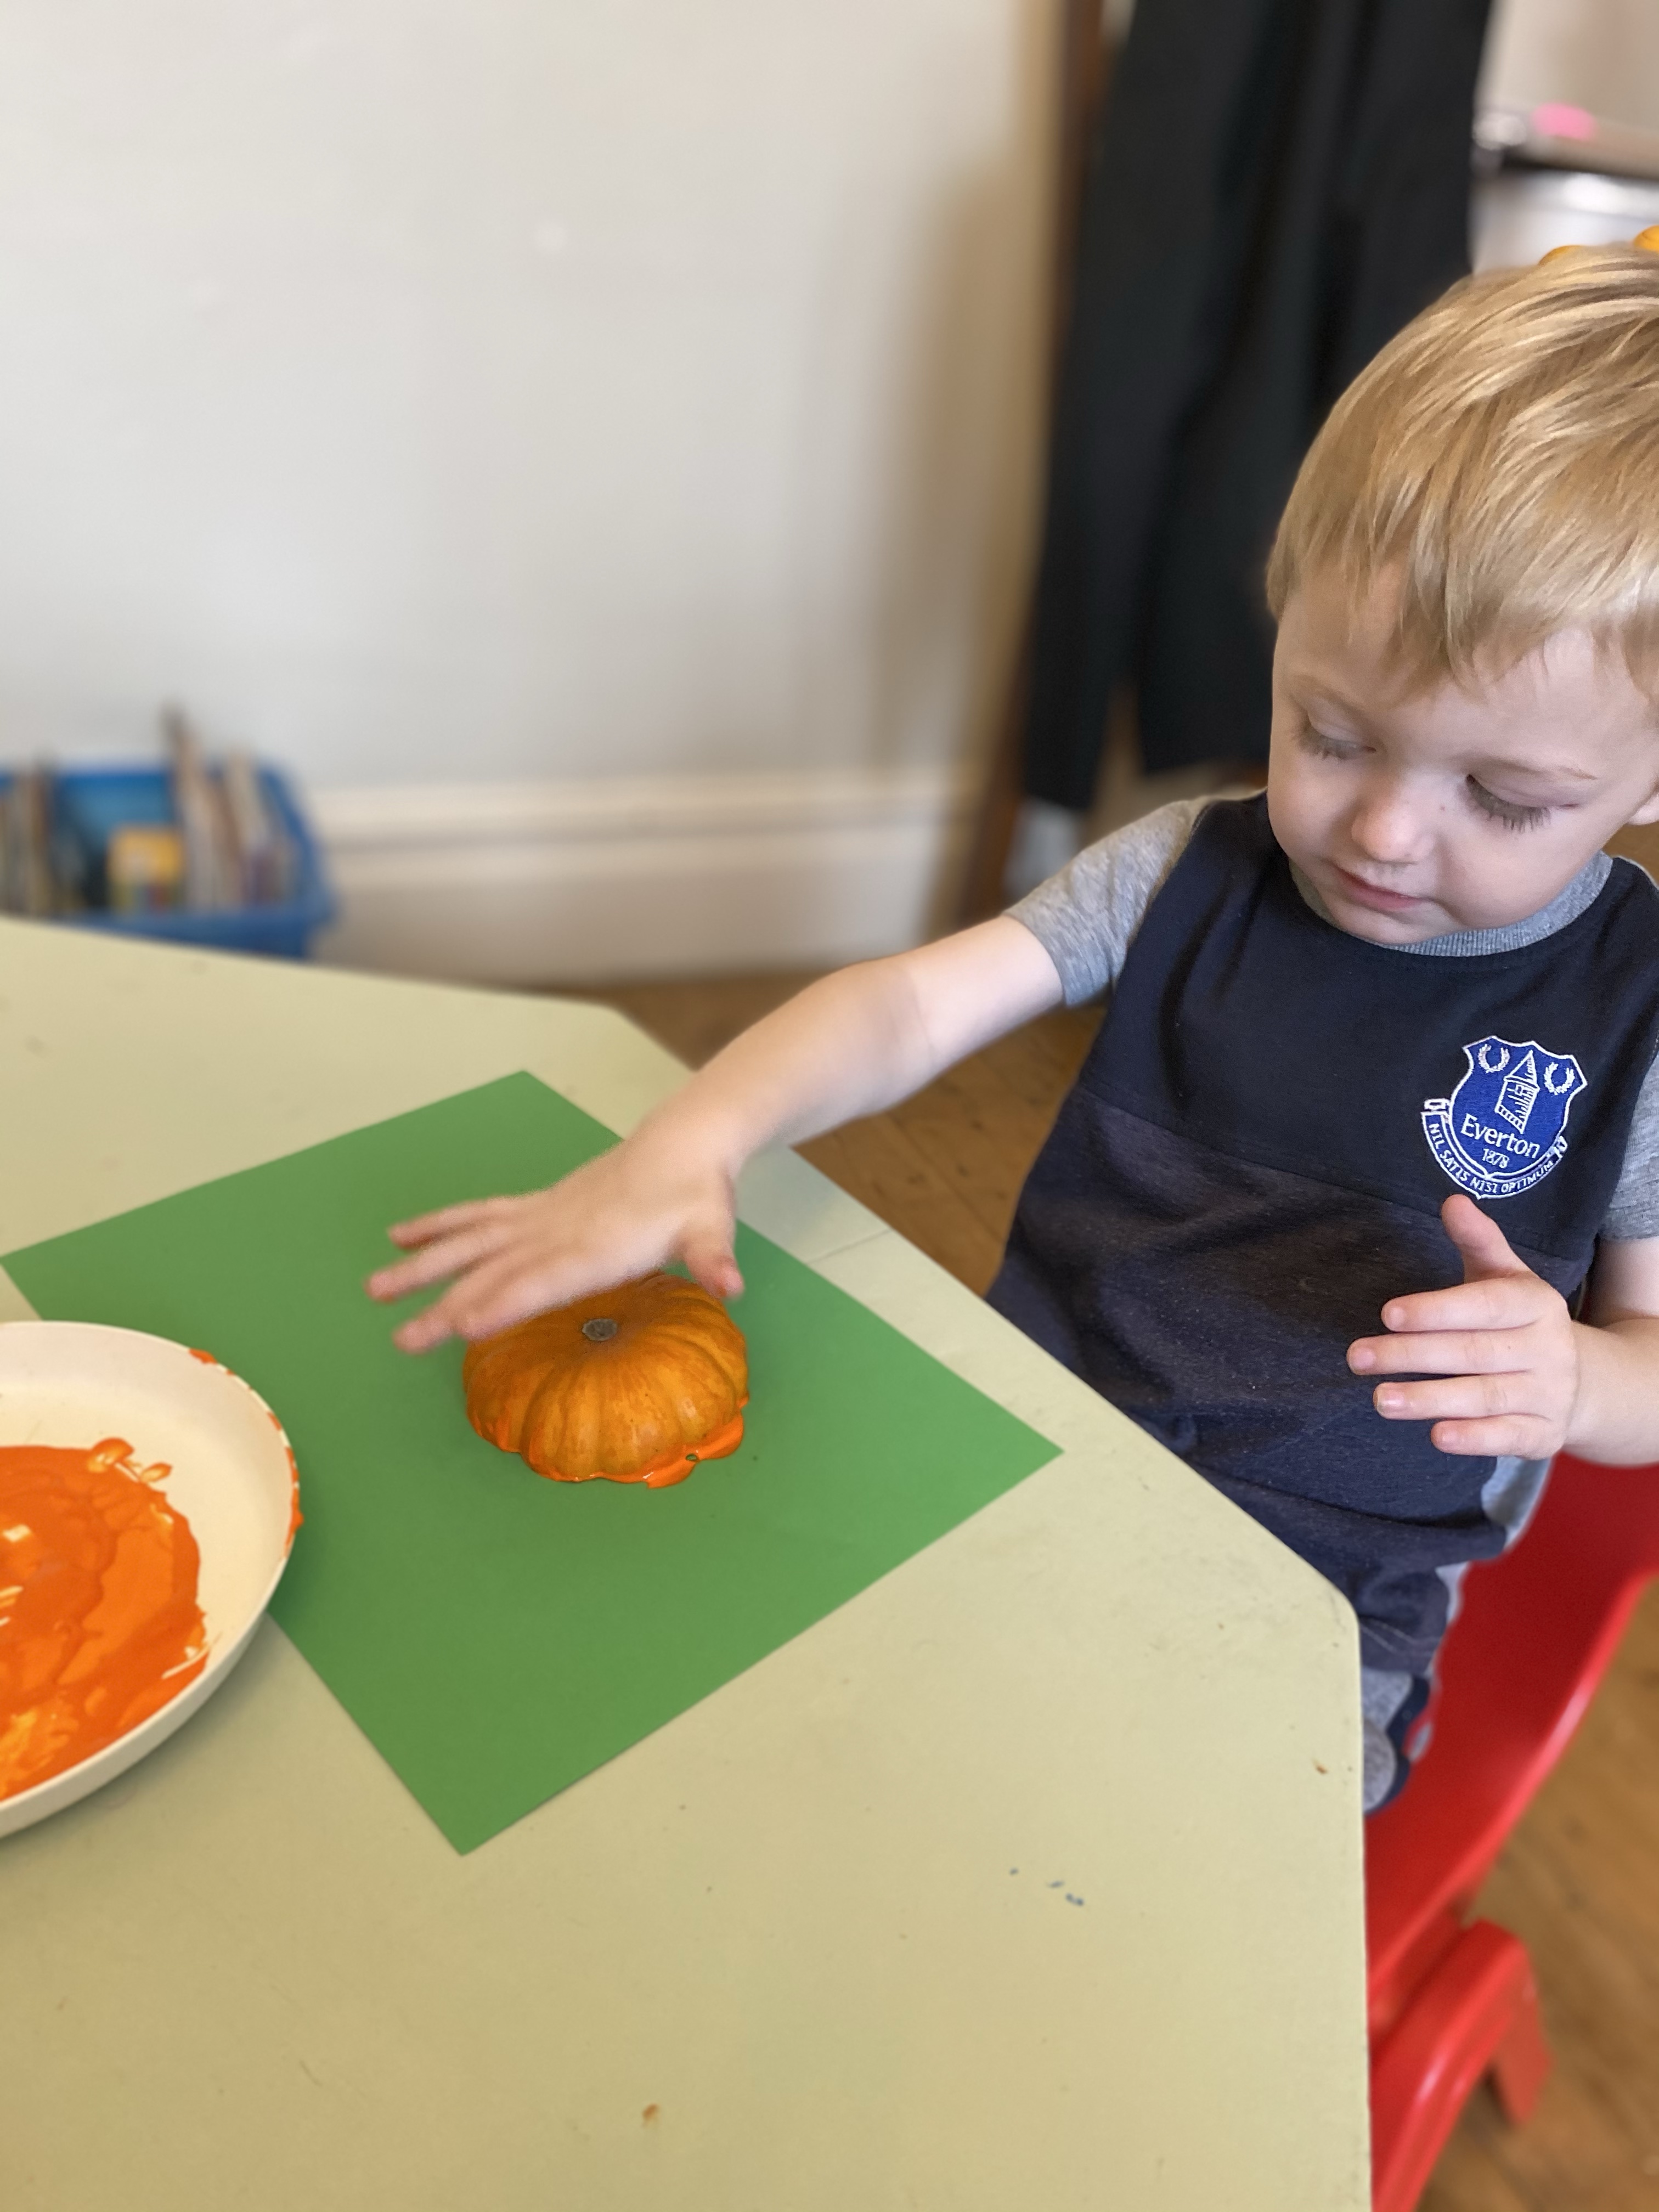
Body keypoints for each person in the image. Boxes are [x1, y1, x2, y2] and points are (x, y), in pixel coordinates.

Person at [369, 246, 1659, 1812]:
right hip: (1037, 1447)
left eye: (1505, 799)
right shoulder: (1188, 872)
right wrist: (696, 1137)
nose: (1383, 830)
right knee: (811, 1753)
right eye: (1330, 733)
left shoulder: (1637, 1015)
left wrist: (1578, 1382)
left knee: (1137, 1851)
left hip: (1318, 1593)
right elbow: (913, 1003)